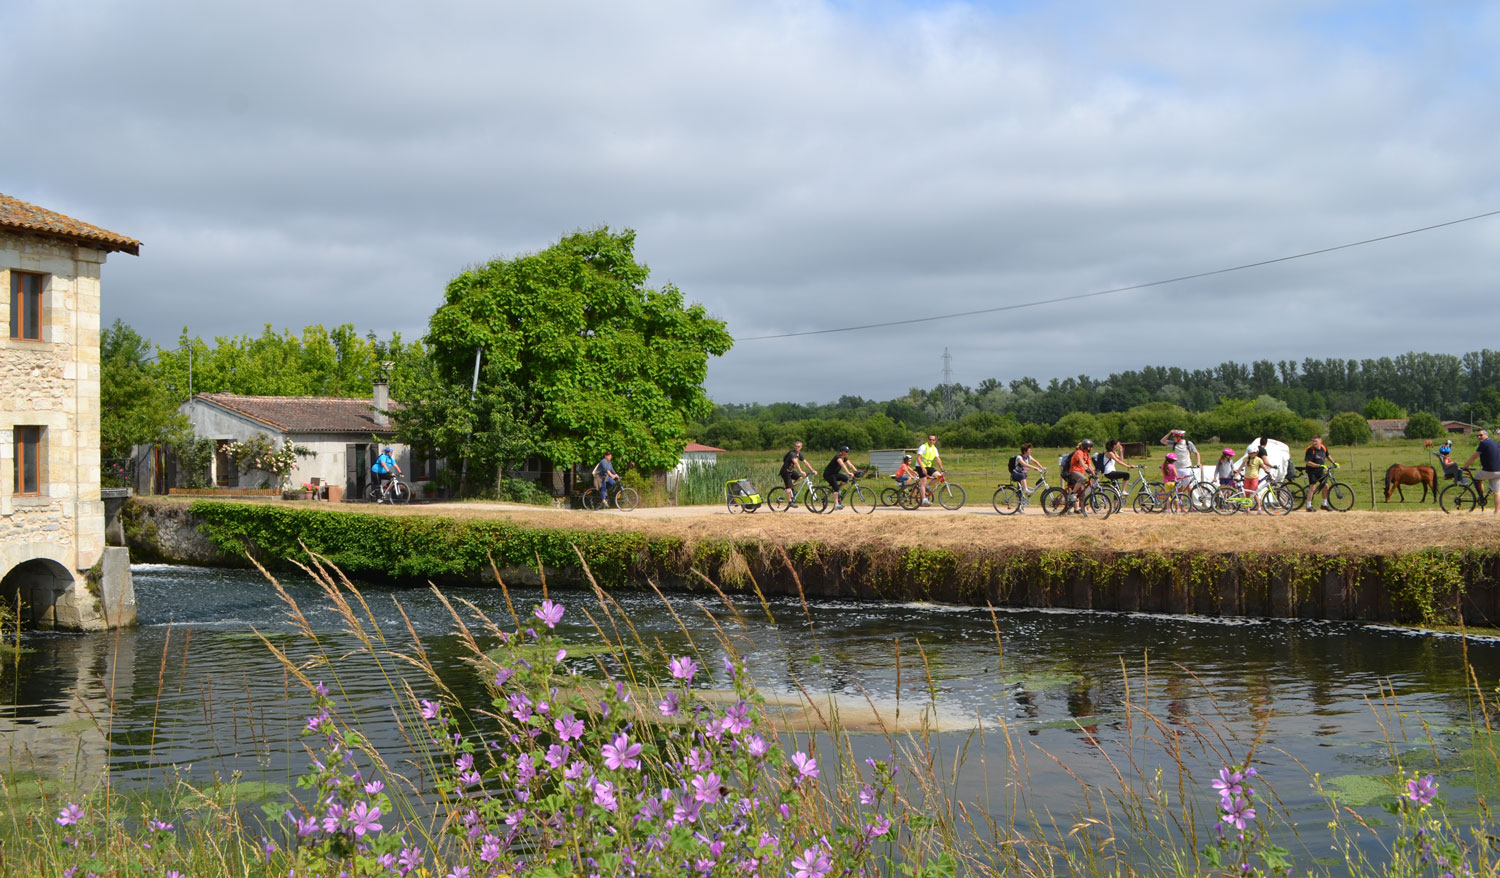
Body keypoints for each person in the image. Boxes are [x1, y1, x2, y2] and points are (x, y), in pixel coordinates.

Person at [1462, 428, 1500, 515]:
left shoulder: (1484, 443)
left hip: (1488, 471)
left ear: (1486, 435)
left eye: (1481, 435)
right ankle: (1496, 512)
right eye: (1477, 435)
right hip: (1499, 471)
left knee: (1476, 478)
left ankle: (1481, 496)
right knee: (1497, 492)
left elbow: (1474, 456)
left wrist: (1466, 466)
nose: (1479, 437)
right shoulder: (1495, 443)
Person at [1160, 429, 1201, 494]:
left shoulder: (1188, 443)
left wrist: (1198, 462)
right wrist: (1170, 433)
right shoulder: (1174, 444)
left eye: (1175, 437)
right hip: (1177, 469)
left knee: (1189, 487)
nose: (1173, 438)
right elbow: (1162, 441)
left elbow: (1196, 453)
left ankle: (1190, 502)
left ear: (1180, 437)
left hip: (1187, 468)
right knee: (1179, 487)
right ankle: (1180, 503)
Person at [1302, 436, 1337, 511]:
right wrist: (1319, 465)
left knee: (1326, 486)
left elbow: (1328, 456)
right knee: (1313, 487)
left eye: (1316, 441)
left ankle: (1324, 504)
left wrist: (1334, 462)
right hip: (1312, 471)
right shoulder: (1310, 450)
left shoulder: (1323, 448)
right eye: (1313, 441)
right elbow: (1308, 462)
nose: (1314, 443)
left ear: (1320, 441)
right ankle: (1308, 506)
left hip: (1320, 471)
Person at [1064, 439, 1095, 511]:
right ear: (1086, 447)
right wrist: (1085, 466)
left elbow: (1090, 465)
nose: (1091, 448)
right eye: (1090, 447)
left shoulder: (1087, 455)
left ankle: (1082, 510)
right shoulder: (1079, 452)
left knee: (1082, 494)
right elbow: (1081, 461)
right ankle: (1072, 493)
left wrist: (1094, 472)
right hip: (1074, 471)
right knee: (1083, 479)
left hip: (1081, 473)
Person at [1235, 446, 1269, 512]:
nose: (1250, 455)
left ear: (1256, 453)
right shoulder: (1246, 459)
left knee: (1254, 493)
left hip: (1254, 478)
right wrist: (1237, 474)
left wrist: (1267, 471)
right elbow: (1241, 467)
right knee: (1247, 493)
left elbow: (1264, 467)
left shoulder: (1259, 460)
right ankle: (1248, 507)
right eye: (1249, 453)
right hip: (1247, 478)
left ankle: (1259, 507)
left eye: (1252, 453)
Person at [823, 446, 858, 510]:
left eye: (848, 451)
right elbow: (843, 465)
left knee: (846, 479)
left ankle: (838, 492)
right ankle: (836, 505)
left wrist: (856, 471)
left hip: (834, 474)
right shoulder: (838, 457)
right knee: (836, 488)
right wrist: (849, 473)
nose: (848, 453)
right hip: (828, 474)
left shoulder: (844, 458)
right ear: (842, 452)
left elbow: (850, 465)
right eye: (846, 451)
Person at [915, 434, 945, 507]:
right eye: (930, 439)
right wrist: (923, 468)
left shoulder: (934, 449)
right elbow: (918, 458)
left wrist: (942, 469)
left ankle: (927, 487)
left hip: (928, 466)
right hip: (920, 466)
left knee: (939, 476)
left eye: (933, 440)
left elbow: (938, 459)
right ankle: (924, 500)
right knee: (923, 481)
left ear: (935, 441)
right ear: (928, 440)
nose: (931, 441)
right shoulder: (923, 447)